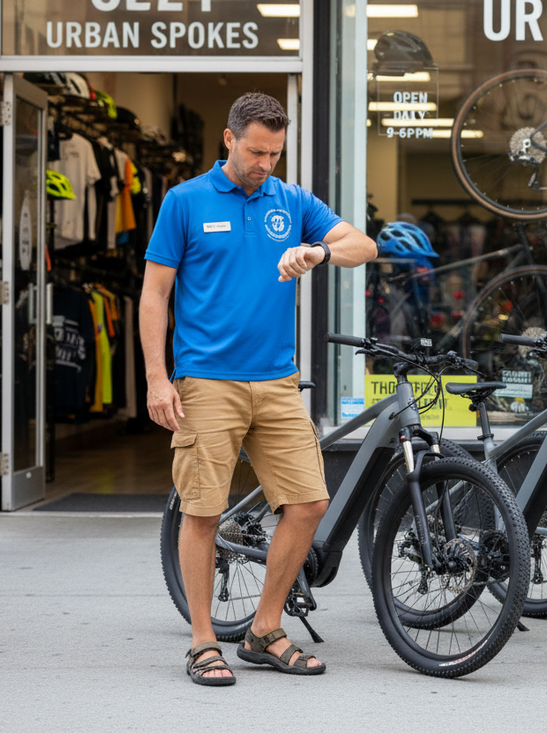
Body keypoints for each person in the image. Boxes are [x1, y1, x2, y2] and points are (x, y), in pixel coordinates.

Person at [140, 92, 377, 686]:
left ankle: (264, 628)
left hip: (276, 381)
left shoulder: (292, 200)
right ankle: (201, 640)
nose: (265, 163)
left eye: (274, 152)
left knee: (309, 503)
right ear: (228, 139)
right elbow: (154, 295)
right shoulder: (185, 201)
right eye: (255, 151)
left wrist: (318, 249)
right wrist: (156, 378)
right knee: (203, 512)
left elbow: (364, 246)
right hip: (207, 381)